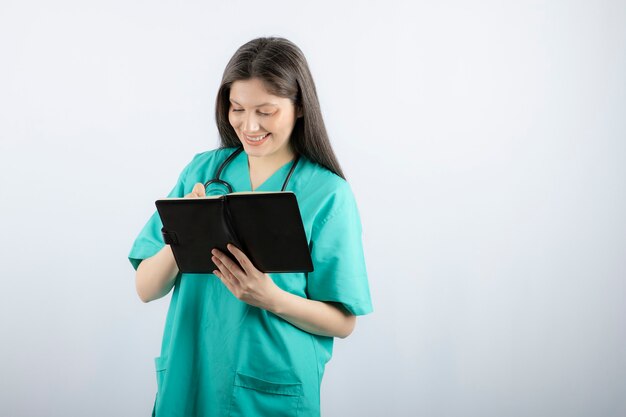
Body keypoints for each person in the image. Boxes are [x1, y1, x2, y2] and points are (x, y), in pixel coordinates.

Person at [128, 36, 373, 417]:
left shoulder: (327, 194)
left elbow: (343, 322)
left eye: (266, 111)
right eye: (237, 108)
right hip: (191, 376)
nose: (249, 125)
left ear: (300, 108)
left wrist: (268, 296)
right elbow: (145, 288)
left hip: (272, 387)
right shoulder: (203, 172)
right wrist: (183, 236)